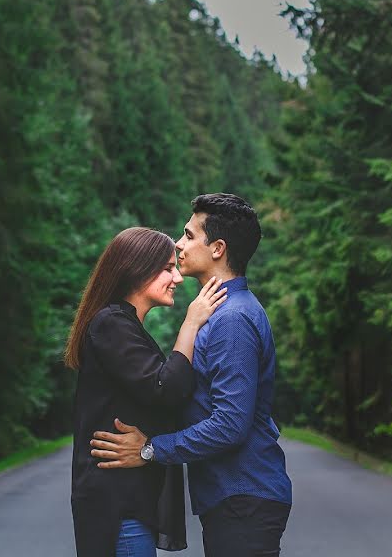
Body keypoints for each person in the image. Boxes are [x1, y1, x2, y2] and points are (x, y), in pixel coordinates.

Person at [90, 194, 293, 557]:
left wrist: (151, 449)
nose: (178, 244)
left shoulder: (232, 320)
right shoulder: (219, 314)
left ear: (217, 248)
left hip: (244, 495)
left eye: (187, 235)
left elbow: (231, 423)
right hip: (234, 497)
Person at [65, 227, 228, 557]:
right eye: (167, 268)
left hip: (126, 504)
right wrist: (190, 325)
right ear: (136, 270)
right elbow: (166, 388)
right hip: (118, 507)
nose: (178, 278)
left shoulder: (123, 325)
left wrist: (149, 445)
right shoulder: (111, 323)